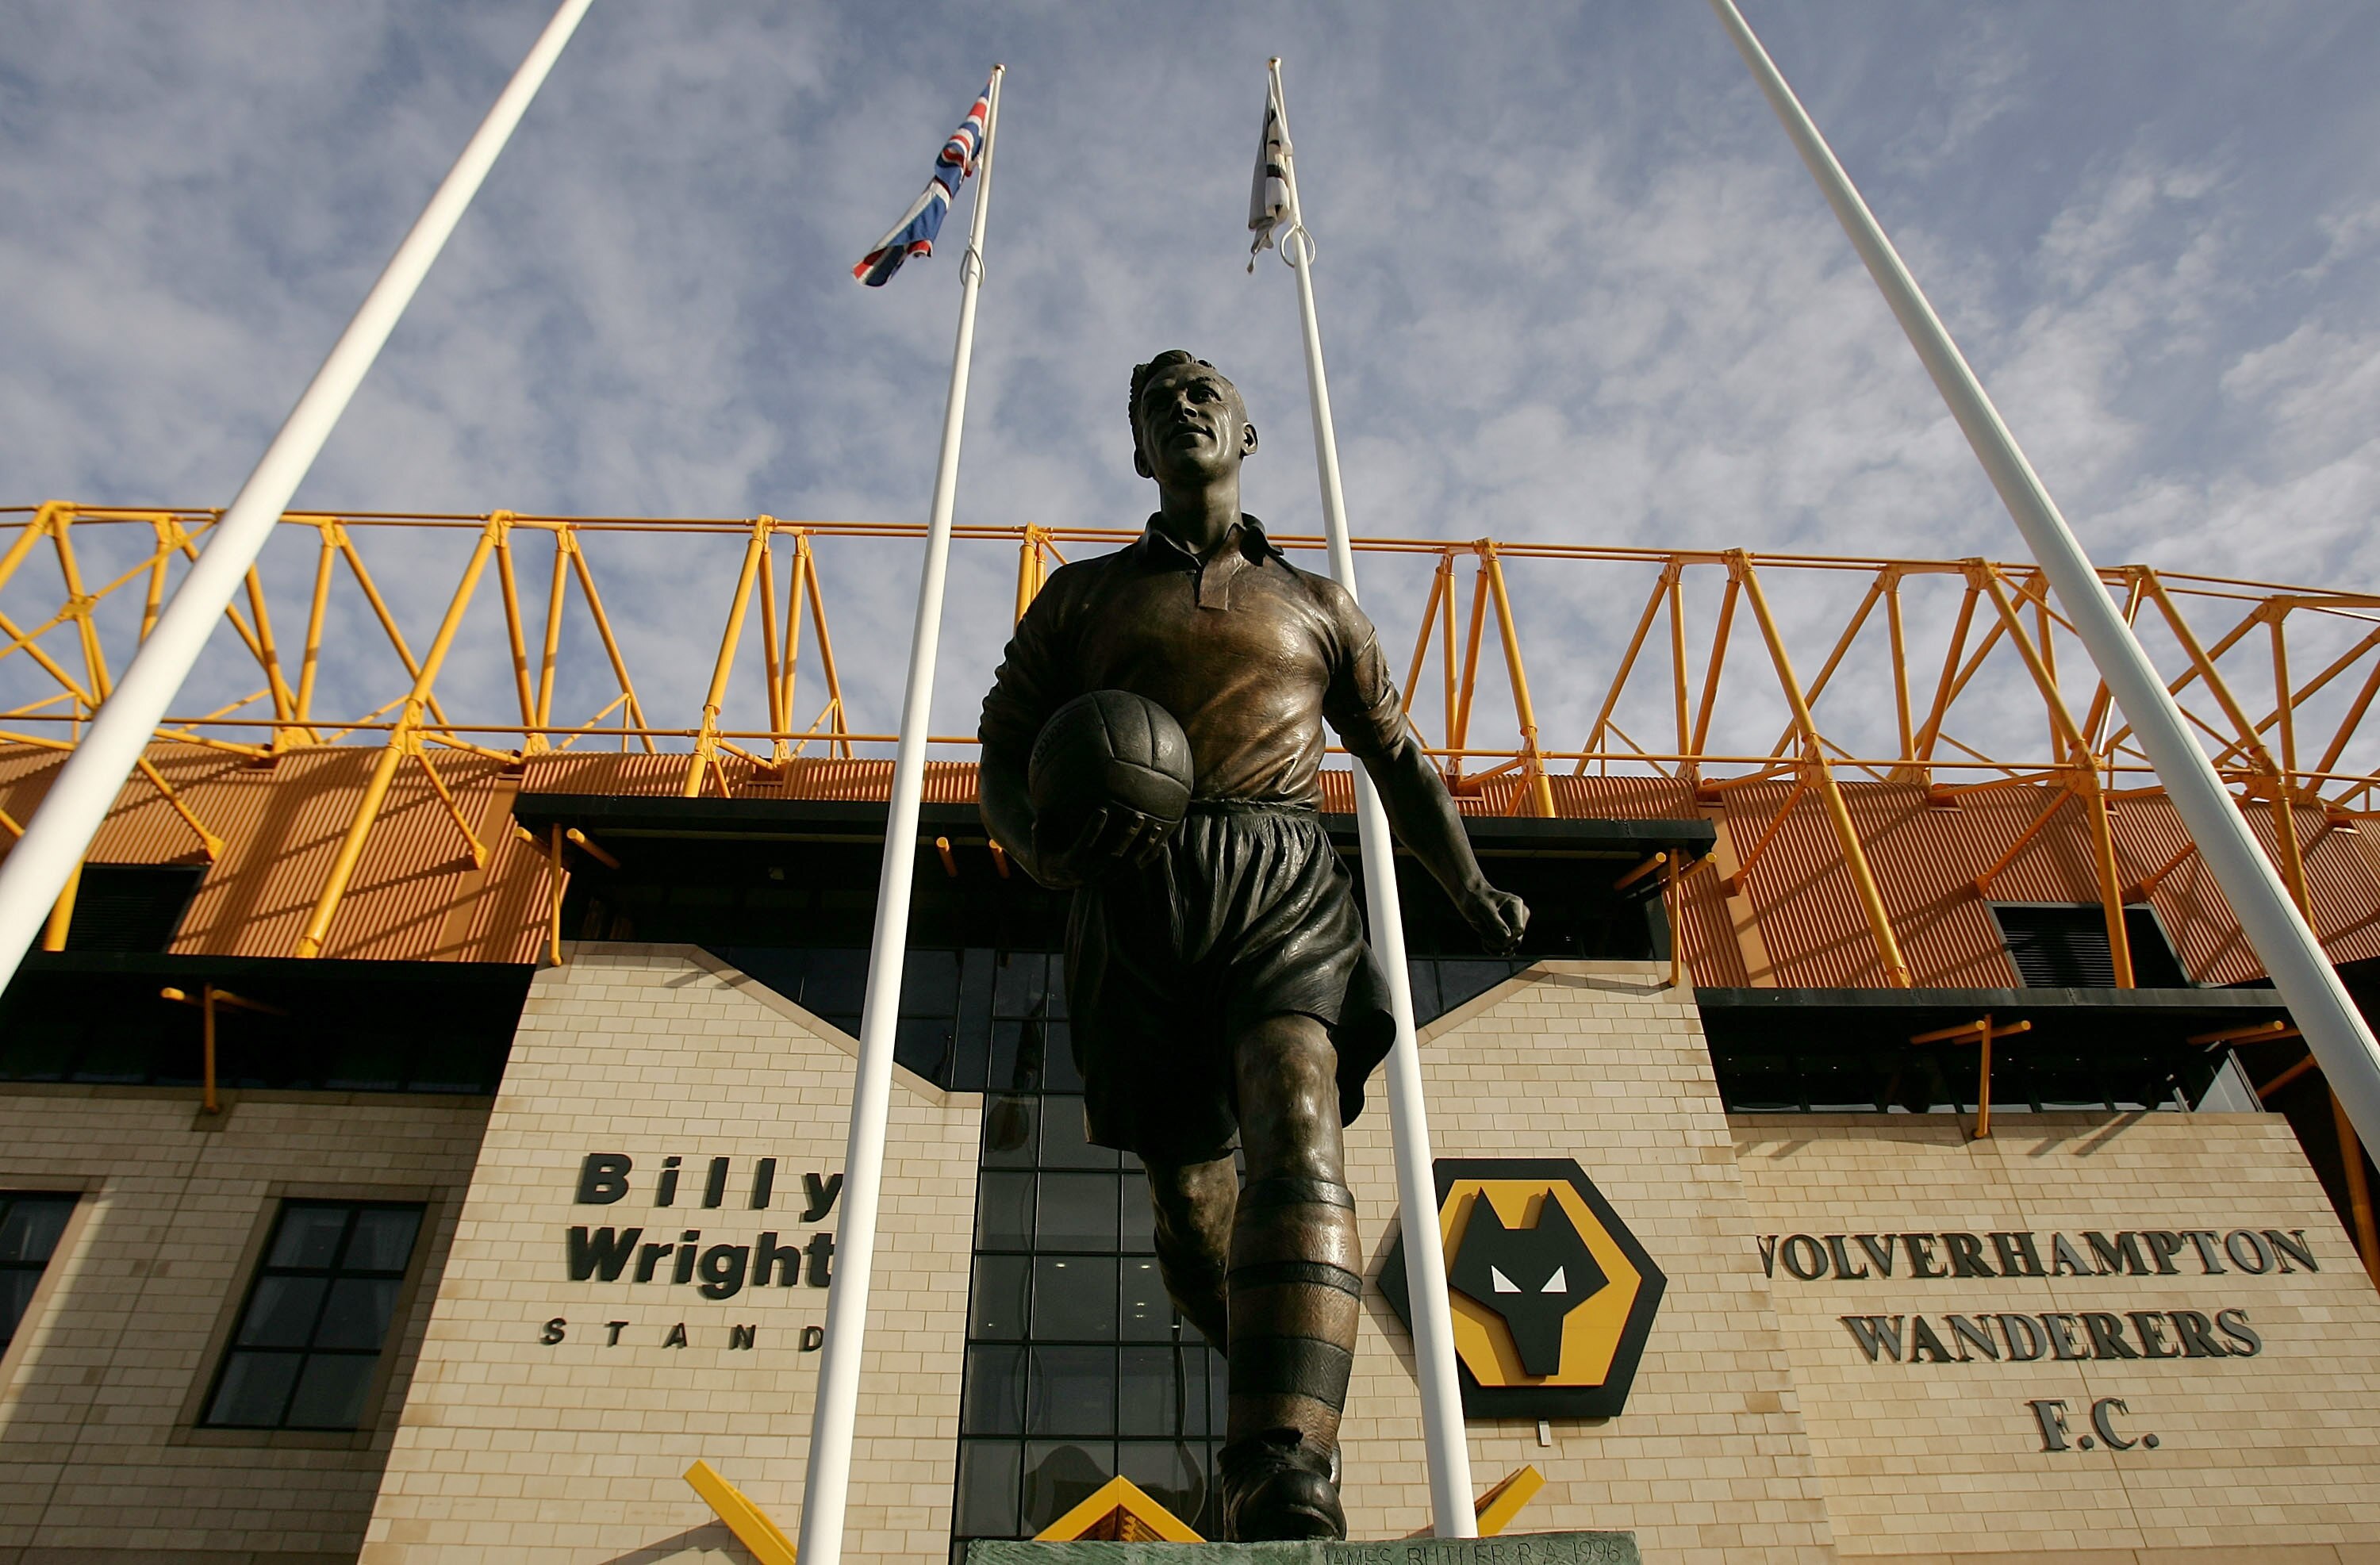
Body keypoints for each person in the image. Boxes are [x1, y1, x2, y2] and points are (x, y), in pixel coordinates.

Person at [977, 350, 1527, 1541]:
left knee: (1298, 1108)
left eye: (1202, 394)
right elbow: (999, 757)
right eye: (1155, 405)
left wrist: (1469, 885)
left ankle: (1285, 1455)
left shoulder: (1317, 603)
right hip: (1133, 897)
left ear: (1246, 432)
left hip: (1282, 873)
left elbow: (1398, 759)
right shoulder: (1079, 599)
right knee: (1189, 1205)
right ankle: (1276, 1349)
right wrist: (1045, 852)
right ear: (1137, 453)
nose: (1182, 410)